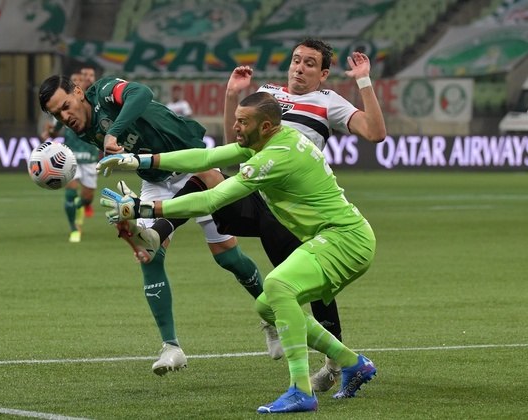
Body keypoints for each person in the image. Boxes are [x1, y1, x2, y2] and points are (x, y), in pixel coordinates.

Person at [98, 38, 386, 392]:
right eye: (295, 60)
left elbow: (375, 132)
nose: (299, 67)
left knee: (303, 292)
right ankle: (158, 230)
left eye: (309, 63)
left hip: (290, 207)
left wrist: (363, 81)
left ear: (324, 74)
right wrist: (232, 97)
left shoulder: (328, 103)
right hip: (257, 193)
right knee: (208, 183)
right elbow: (230, 146)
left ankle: (333, 363)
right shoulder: (266, 96)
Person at [38, 74, 264, 376]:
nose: (65, 116)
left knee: (228, 256)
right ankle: (171, 347)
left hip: (190, 163)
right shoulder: (80, 132)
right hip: (155, 178)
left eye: (65, 106)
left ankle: (273, 318)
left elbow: (141, 93)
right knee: (149, 255)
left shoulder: (105, 92)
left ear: (78, 92)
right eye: (56, 114)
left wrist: (113, 133)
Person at [40, 71, 101, 242]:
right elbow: (54, 130)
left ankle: (80, 206)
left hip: (89, 157)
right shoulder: (64, 111)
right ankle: (74, 229)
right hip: (70, 157)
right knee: (70, 193)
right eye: (73, 79)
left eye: (78, 80)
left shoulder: (90, 105)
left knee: (87, 198)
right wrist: (49, 133)